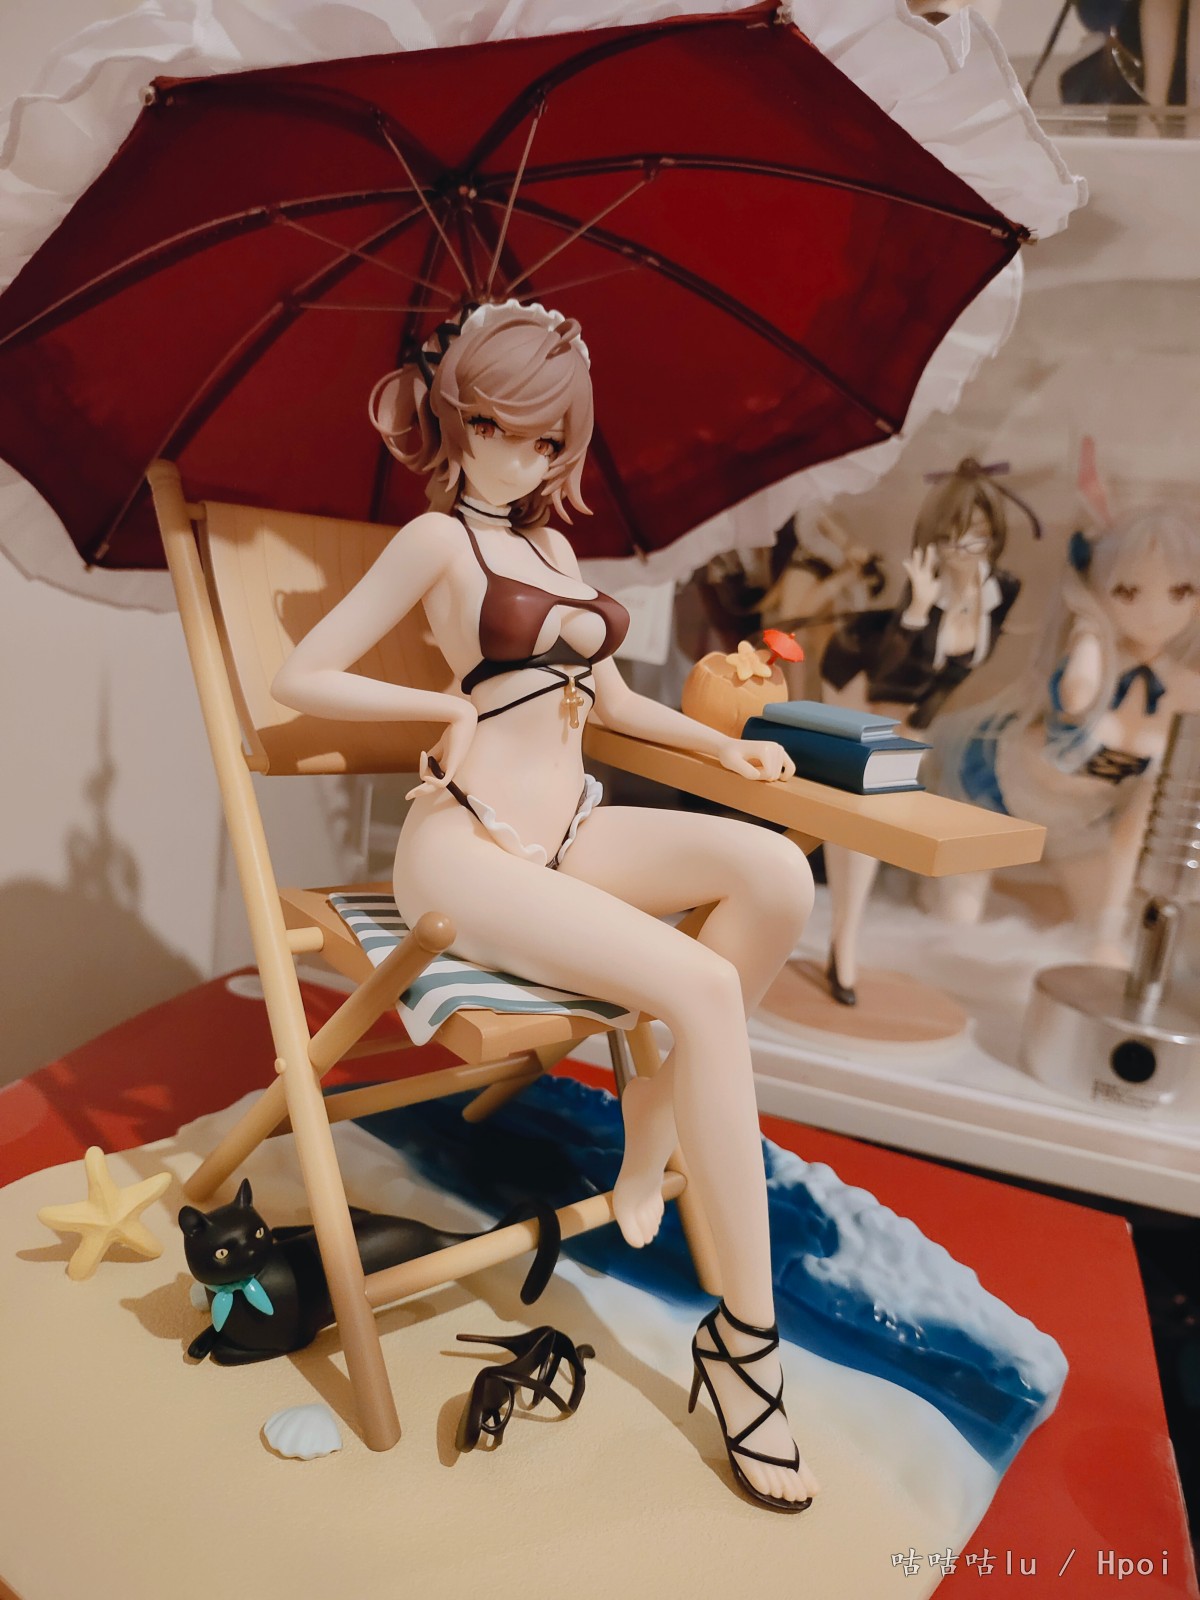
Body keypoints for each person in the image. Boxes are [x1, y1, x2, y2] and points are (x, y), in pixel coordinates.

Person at [271, 298, 819, 1513]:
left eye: (547, 439)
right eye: (496, 428)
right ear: (454, 417)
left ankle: (654, 1110)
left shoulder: (559, 554)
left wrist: (727, 751)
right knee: (700, 985)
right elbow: (298, 673)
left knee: (779, 874)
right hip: (466, 847)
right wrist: (443, 709)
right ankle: (746, 1345)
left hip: (570, 829)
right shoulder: (435, 542)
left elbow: (613, 706)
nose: (520, 458)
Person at [933, 472, 1200, 962]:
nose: (1156, 614)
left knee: (1104, 935)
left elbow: (1137, 827)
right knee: (955, 932)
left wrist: (1108, 930)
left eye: (1181, 591)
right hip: (998, 789)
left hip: (1079, 825)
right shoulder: (1091, 659)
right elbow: (1077, 697)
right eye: (1128, 591)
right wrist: (1089, 629)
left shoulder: (1185, 688)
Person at [817, 460, 1031, 1004]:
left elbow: (958, 673)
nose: (964, 548)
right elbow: (891, 678)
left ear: (994, 535)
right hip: (860, 677)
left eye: (978, 534)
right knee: (858, 815)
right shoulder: (923, 593)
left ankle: (844, 938)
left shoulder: (1003, 589)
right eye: (952, 536)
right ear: (933, 538)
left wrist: (920, 724)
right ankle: (843, 942)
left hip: (911, 706)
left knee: (878, 813)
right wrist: (914, 612)